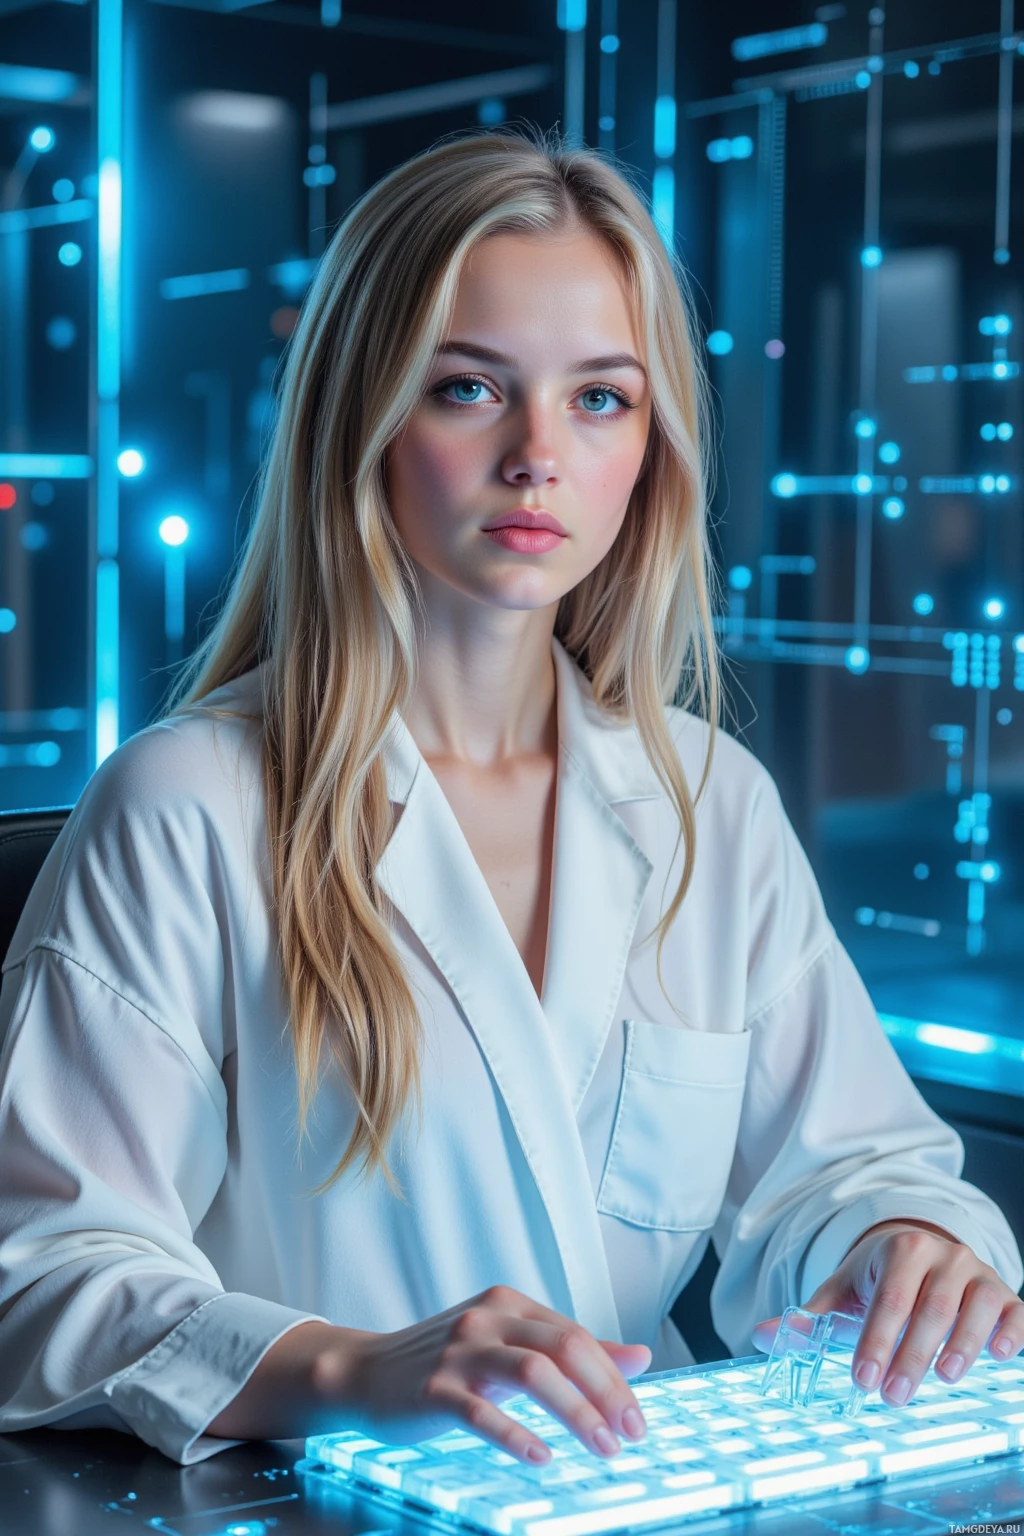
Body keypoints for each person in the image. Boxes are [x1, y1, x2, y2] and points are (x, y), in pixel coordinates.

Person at [0, 128, 1021, 1472]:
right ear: (361, 419)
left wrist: (908, 1245)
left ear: (650, 446)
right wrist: (352, 1368)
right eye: (471, 388)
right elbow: (38, 1278)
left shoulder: (707, 801)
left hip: (619, 1494)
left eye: (601, 398)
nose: (539, 454)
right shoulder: (188, 804)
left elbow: (845, 1170)